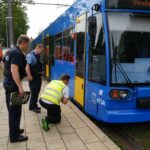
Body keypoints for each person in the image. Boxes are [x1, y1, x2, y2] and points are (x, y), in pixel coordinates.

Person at [3, 35, 30, 143]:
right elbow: (14, 70)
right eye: (27, 44)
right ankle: (14, 137)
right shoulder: (17, 53)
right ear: (23, 42)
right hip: (13, 86)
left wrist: (6, 77)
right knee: (15, 111)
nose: (27, 46)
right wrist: (20, 86)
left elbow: (3, 63)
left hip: (8, 83)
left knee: (12, 110)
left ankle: (16, 130)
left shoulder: (10, 51)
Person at [26, 43, 44, 113]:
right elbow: (27, 67)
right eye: (41, 50)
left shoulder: (37, 55)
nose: (42, 52)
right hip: (33, 78)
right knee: (34, 92)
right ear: (37, 48)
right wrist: (29, 75)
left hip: (38, 77)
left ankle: (34, 104)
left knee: (37, 91)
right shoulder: (31, 56)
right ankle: (32, 107)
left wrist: (40, 77)